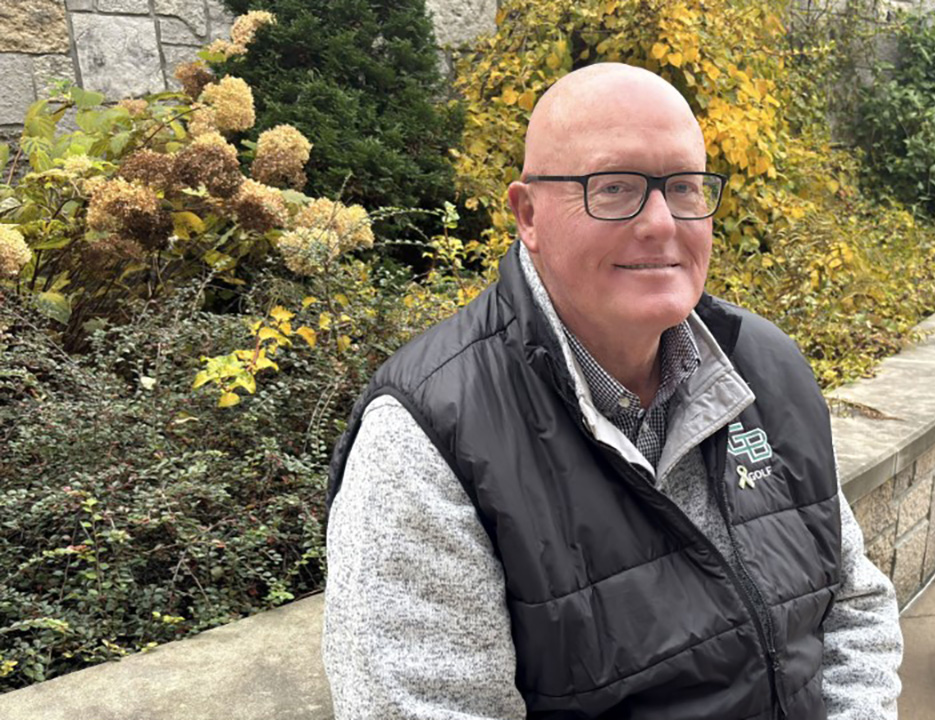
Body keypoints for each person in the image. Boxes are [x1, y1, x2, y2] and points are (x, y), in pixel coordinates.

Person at [323, 62, 903, 720]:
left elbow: (853, 607)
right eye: (615, 187)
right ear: (529, 214)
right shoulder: (431, 439)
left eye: (683, 187)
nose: (661, 222)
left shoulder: (767, 370)